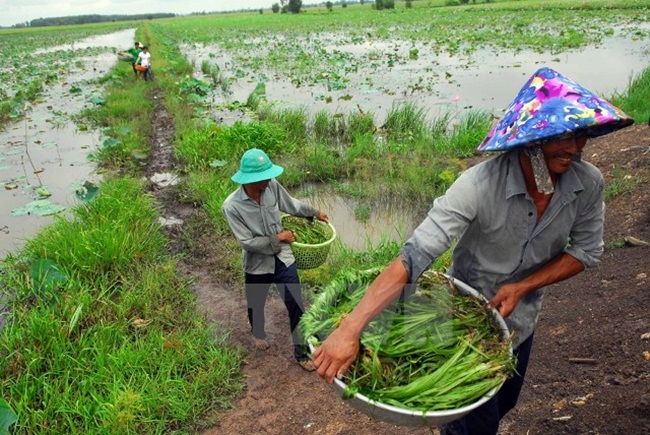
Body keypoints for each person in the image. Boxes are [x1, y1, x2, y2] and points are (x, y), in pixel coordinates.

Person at [312, 67, 634, 434]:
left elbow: (587, 251)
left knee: (503, 402)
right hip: (464, 319)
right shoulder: (478, 185)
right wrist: (351, 327)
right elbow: (416, 253)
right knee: (471, 424)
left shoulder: (587, 183)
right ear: (530, 141)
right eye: (561, 137)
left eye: (580, 136)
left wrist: (522, 287)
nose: (575, 148)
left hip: (522, 322)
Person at [222, 148, 329, 372]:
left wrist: (314, 212)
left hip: (283, 258)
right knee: (255, 304)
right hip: (257, 263)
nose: (270, 179)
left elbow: (291, 205)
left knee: (296, 303)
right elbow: (247, 242)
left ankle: (301, 353)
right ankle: (258, 333)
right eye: (265, 176)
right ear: (251, 180)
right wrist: (279, 237)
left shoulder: (272, 187)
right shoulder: (232, 206)